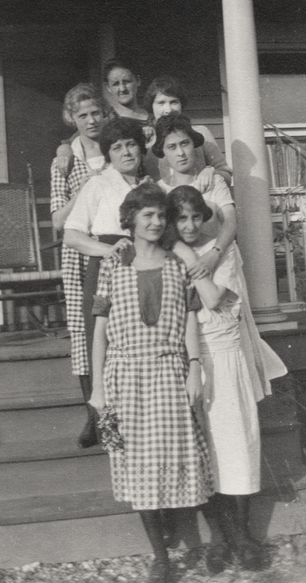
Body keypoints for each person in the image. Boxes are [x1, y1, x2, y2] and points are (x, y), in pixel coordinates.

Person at [89, 183, 214, 583]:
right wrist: (97, 388)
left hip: (168, 371)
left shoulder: (178, 265)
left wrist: (194, 366)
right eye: (148, 215)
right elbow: (100, 331)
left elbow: (191, 320)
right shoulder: (114, 264)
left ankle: (173, 525)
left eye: (161, 215)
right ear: (131, 219)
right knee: (136, 466)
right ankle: (160, 556)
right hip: (125, 375)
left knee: (178, 456)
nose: (157, 222)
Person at [165, 185, 287, 573]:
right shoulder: (172, 255)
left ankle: (246, 535)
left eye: (195, 216)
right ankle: (220, 536)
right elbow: (178, 308)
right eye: (180, 218)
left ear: (205, 217)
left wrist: (193, 266)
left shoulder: (225, 250)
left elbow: (214, 298)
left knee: (237, 446)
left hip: (227, 355)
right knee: (204, 452)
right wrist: (185, 258)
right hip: (190, 359)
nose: (188, 225)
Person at [63, 118, 149, 436]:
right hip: (106, 266)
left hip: (145, 265)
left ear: (141, 147)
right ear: (108, 154)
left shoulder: (151, 186)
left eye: (131, 144)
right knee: (103, 340)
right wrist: (105, 250)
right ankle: (102, 419)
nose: (126, 152)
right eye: (117, 147)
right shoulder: (98, 184)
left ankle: (138, 421)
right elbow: (71, 234)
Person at [50, 83, 109, 448]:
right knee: (83, 332)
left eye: (95, 113)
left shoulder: (117, 146)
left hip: (112, 250)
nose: (90, 120)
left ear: (105, 114)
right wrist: (81, 188)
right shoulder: (65, 159)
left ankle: (117, 410)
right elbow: (58, 220)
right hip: (78, 254)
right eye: (82, 115)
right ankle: (94, 416)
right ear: (72, 118)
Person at [152, 112, 236, 274]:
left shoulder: (213, 181)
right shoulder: (160, 191)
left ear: (193, 144)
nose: (180, 153)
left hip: (218, 264)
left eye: (184, 143)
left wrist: (215, 254)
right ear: (163, 151)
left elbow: (230, 220)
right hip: (176, 270)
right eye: (172, 147)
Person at [56, 59, 153, 175]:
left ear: (138, 81)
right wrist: (63, 152)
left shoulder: (153, 119)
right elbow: (69, 143)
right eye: (116, 84)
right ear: (108, 87)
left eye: (127, 81)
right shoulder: (106, 121)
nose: (122, 89)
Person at [143, 76, 232, 187]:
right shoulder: (147, 140)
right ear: (151, 106)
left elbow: (227, 176)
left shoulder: (200, 133)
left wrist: (211, 172)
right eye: (161, 103)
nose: (168, 110)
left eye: (173, 102)